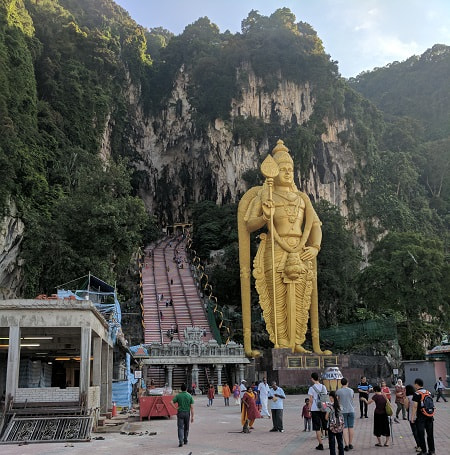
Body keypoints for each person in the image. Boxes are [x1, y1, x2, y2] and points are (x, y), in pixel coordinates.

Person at [238, 139, 330, 356]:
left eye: (290, 169)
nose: (288, 173)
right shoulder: (264, 194)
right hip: (275, 249)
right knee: (276, 297)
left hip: (300, 249)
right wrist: (264, 216)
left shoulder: (302, 198)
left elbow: (315, 225)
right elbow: (248, 224)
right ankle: (280, 343)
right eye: (283, 169)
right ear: (274, 171)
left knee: (300, 298)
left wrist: (315, 247)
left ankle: (298, 341)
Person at [410, 378, 435, 455]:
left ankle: (423, 451)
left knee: (421, 434)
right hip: (429, 415)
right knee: (430, 434)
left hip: (421, 417)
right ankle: (432, 451)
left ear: (417, 384)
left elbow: (414, 406)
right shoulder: (429, 392)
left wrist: (412, 417)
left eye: (415, 384)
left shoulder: (417, 393)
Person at [308, 372, 328, 450]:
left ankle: (321, 444)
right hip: (323, 408)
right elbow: (326, 399)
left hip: (315, 409)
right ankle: (330, 443)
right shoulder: (324, 387)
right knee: (325, 426)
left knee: (317, 427)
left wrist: (309, 409)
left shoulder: (311, 388)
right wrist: (326, 409)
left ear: (312, 379)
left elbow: (311, 400)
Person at [171, 383, 194, 448]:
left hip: (180, 413)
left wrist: (175, 408)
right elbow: (192, 407)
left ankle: (180, 441)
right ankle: (185, 440)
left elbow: (171, 402)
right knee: (186, 427)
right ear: (186, 389)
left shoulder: (178, 395)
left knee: (180, 428)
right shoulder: (189, 396)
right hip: (187, 413)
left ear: (181, 389)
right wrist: (192, 417)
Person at [336, 377, 355, 451]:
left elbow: (337, 401)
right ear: (347, 383)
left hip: (343, 411)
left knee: (345, 428)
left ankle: (346, 445)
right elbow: (352, 399)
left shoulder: (338, 391)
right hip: (351, 410)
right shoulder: (351, 390)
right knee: (351, 427)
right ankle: (350, 444)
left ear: (341, 383)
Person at [325, 391, 344, 455]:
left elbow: (326, 417)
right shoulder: (340, 406)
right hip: (340, 427)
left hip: (331, 428)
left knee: (332, 444)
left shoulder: (329, 406)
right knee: (340, 442)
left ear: (331, 397)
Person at [405, 384, 421, 453]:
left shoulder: (408, 397)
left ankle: (419, 446)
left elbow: (406, 408)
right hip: (419, 416)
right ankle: (420, 445)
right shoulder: (417, 396)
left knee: (415, 432)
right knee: (420, 431)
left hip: (412, 416)